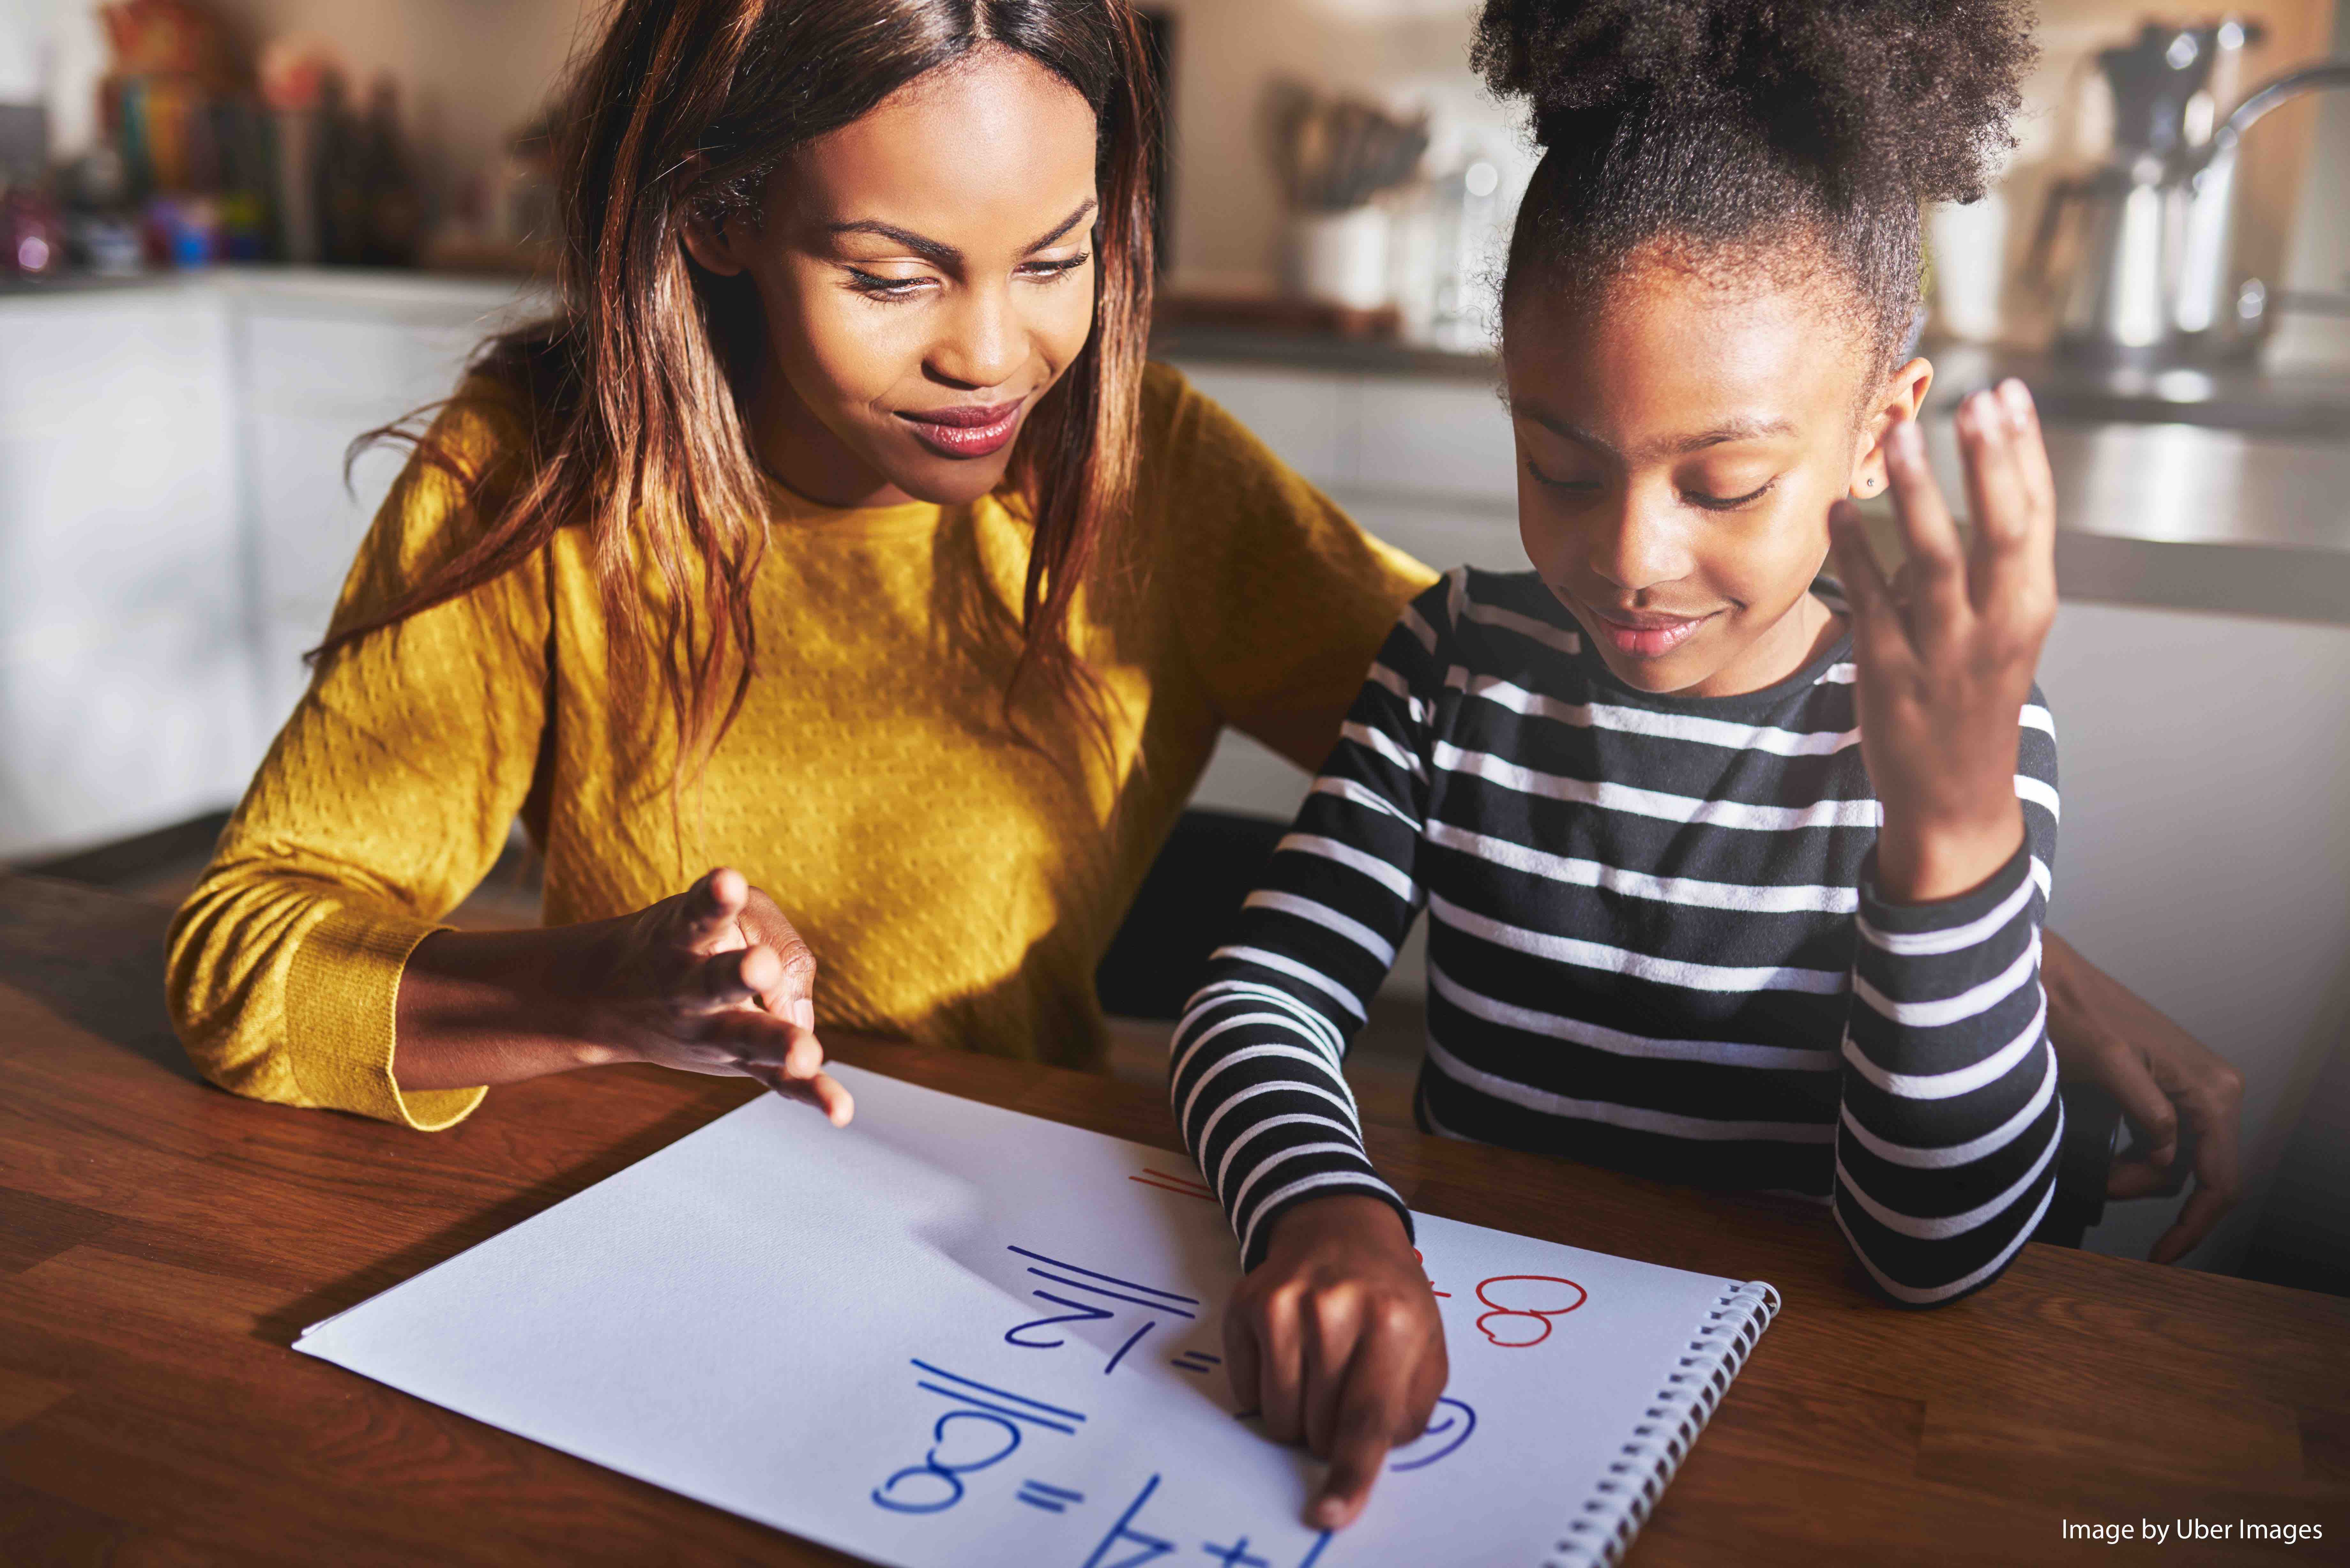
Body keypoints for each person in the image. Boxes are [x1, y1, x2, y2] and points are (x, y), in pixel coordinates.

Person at [164, 0, 2239, 1517]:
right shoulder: (537, 481)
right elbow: (255, 948)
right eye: (893, 274)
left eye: (1059, 260)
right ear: (714, 215)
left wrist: (2004, 919)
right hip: (664, 1241)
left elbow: (1585, 738)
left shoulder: (1151, 479)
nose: (999, 357)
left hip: (1028, 1261)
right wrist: (595, 988)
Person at [1166, 0, 2238, 1532]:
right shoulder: (1454, 661)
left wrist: (1952, 838)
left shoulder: (1949, 733)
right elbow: (1256, 996)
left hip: (1791, 1428)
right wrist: (1322, 1208)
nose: (1629, 556)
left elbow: (1925, 1254)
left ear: (1880, 433)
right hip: (1480, 1372)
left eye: (1722, 483)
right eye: (1560, 465)